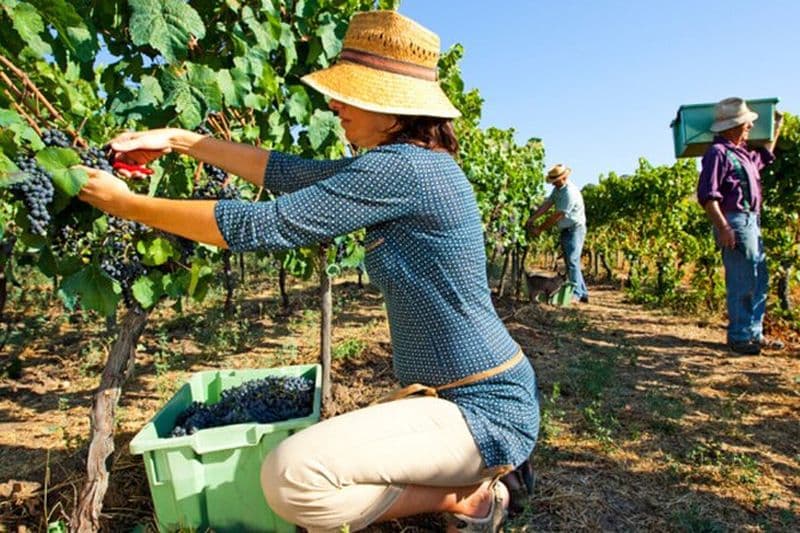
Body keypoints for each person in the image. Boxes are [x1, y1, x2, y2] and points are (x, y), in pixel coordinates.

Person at [77, 10, 539, 533]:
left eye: (350, 94)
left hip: (484, 410)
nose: (334, 103)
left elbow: (264, 225)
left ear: (392, 109)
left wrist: (129, 205)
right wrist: (179, 139)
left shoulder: (405, 168)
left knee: (292, 477)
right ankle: (465, 481)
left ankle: (470, 497)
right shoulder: (407, 162)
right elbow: (284, 172)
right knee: (305, 472)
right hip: (453, 398)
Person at [696, 97, 784, 356]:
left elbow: (765, 156)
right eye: (746, 124)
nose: (749, 128)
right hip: (734, 220)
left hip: (751, 220)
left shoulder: (742, 154)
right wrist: (723, 227)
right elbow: (707, 196)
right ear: (732, 127)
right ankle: (739, 336)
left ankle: (754, 333)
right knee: (742, 279)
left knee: (759, 279)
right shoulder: (718, 154)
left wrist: (775, 127)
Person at [526, 164, 589, 303]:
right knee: (571, 262)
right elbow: (547, 204)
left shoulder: (569, 193)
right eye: (553, 180)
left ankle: (577, 294)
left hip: (575, 229)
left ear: (565, 177)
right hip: (566, 229)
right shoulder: (558, 189)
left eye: (556, 180)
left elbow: (556, 216)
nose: (554, 182)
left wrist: (539, 229)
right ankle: (583, 293)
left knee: (572, 261)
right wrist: (533, 218)